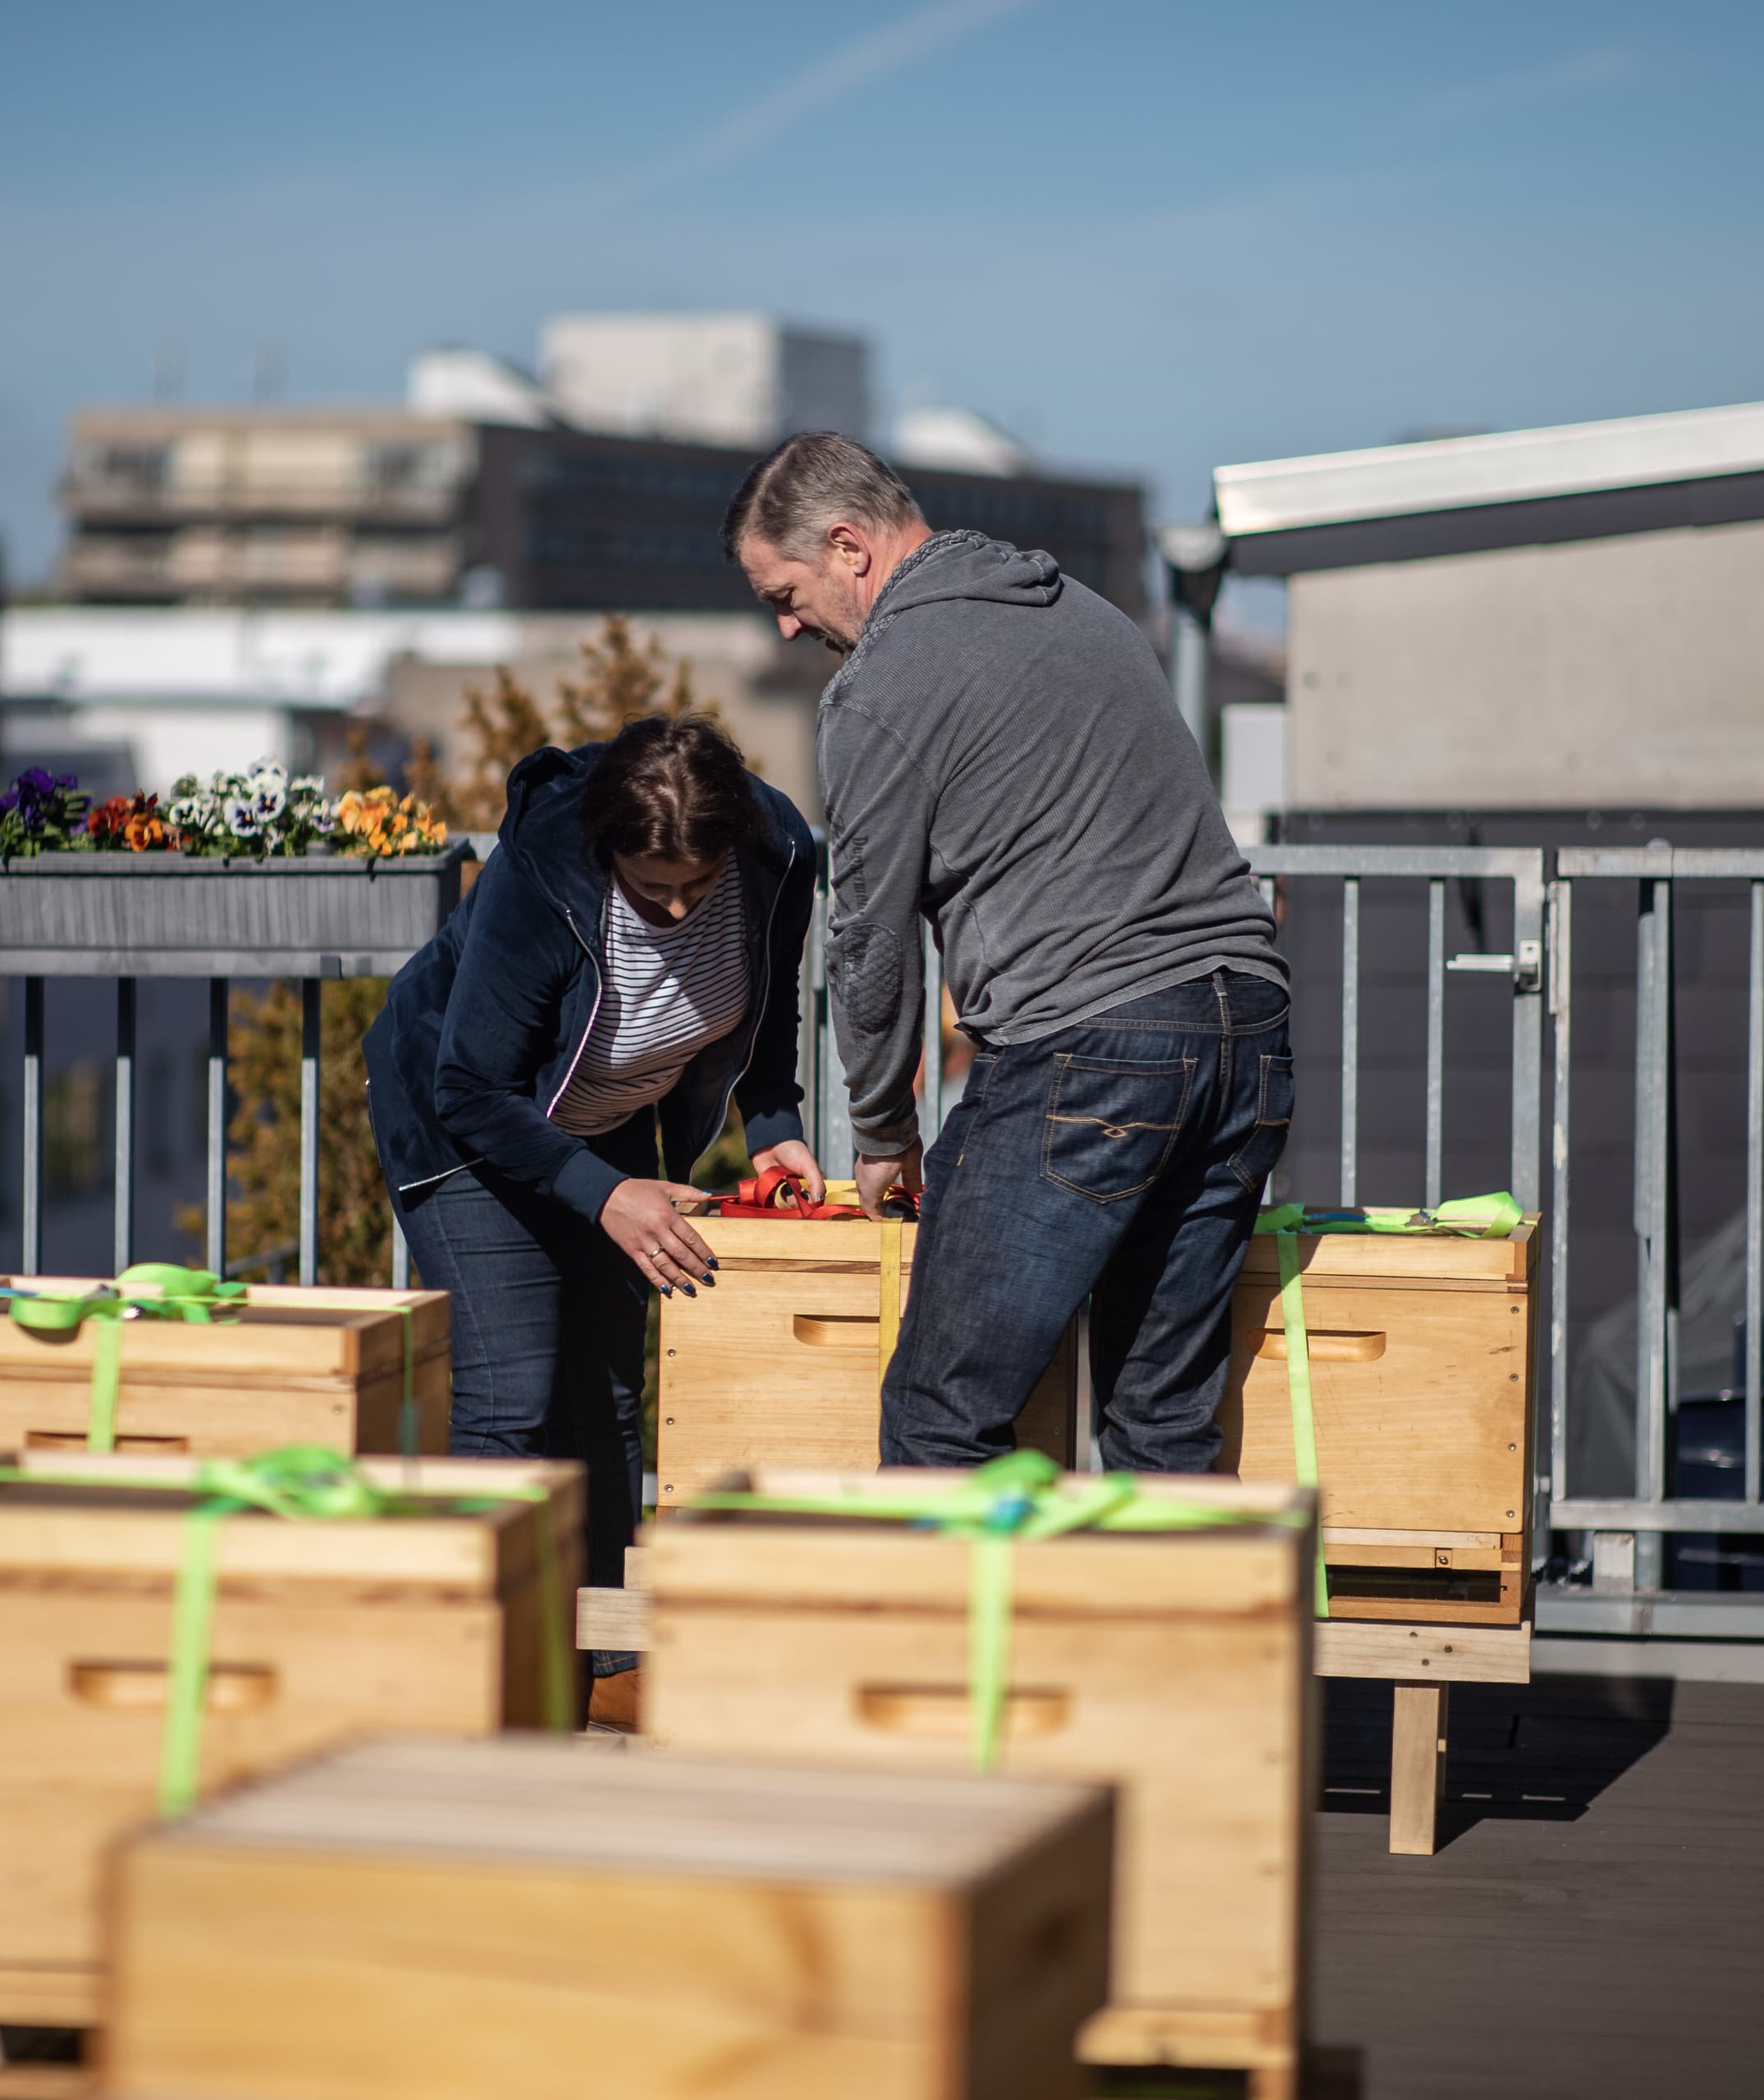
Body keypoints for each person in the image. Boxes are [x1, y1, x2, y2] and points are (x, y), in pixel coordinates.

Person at [725, 432, 1290, 1475]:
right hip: (1245, 1033)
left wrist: (884, 1130)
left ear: (849, 545)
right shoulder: (1086, 612)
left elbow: (870, 935)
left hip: (1092, 1048)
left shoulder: (881, 687)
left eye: (787, 590)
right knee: (1160, 1426)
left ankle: (960, 1646)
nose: (787, 623)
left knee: (942, 1418)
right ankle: (1177, 1639)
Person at [365, 714, 819, 1710]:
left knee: (610, 1391)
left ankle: (600, 1675)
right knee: (511, 1396)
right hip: (467, 1125)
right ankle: (476, 1681)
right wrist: (604, 1193)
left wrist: (773, 1115)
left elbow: (772, 1004)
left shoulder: (779, 851)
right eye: (652, 888)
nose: (679, 907)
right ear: (607, 848)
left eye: (700, 884)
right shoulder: (542, 875)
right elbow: (472, 1087)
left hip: (604, 1118)